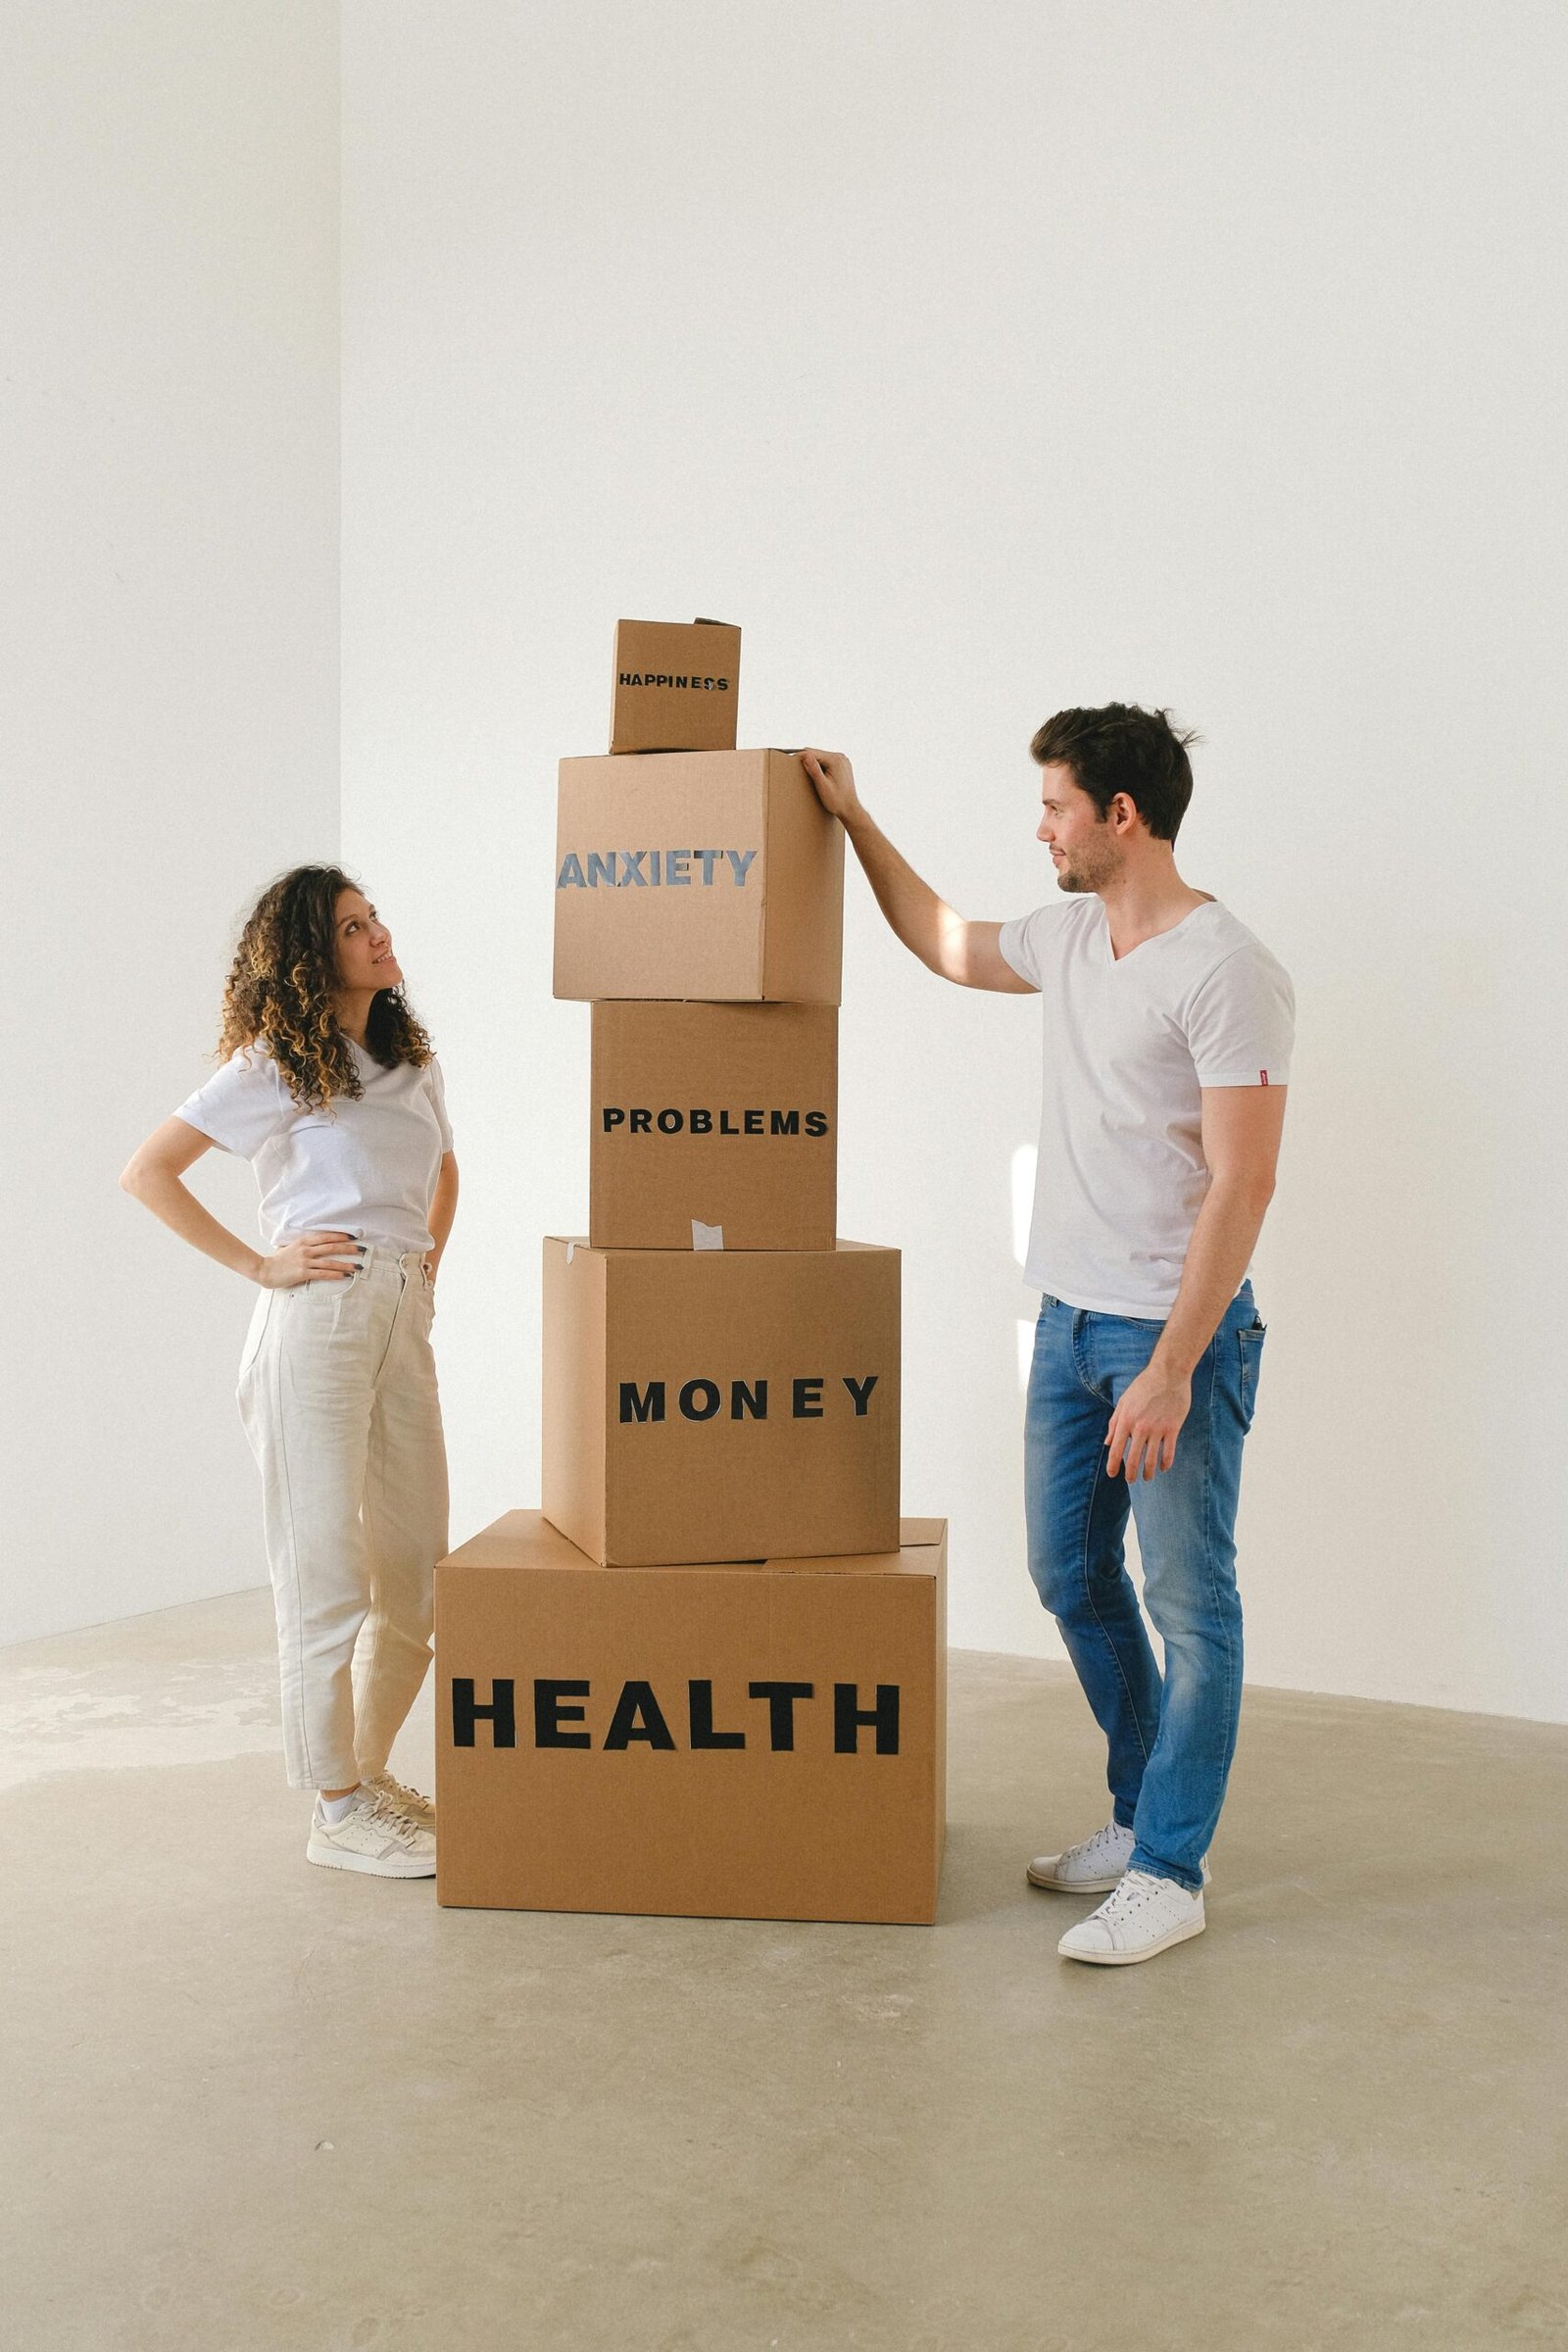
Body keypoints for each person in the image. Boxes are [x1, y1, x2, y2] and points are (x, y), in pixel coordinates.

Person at [801, 708, 1293, 1967]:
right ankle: (1139, 1820)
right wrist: (854, 819)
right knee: (1068, 1578)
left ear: (1119, 817)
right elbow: (946, 942)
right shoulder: (1072, 935)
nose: (1042, 828)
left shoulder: (1227, 970)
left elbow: (1242, 1186)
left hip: (1167, 1339)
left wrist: (1176, 1368)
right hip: (1068, 1326)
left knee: (1192, 1603)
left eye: (1056, 806)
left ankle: (1173, 1870)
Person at [120, 866, 458, 1880]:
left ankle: (365, 1773)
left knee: (417, 1577)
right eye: (354, 928)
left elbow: (444, 1171)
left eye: (375, 917)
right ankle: (335, 1805)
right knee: (324, 1572)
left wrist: (425, 1268)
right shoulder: (277, 1064)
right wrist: (263, 1264)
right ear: (313, 957)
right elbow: (148, 1170)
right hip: (317, 1320)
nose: (378, 935)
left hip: (399, 1311)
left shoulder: (410, 1060)